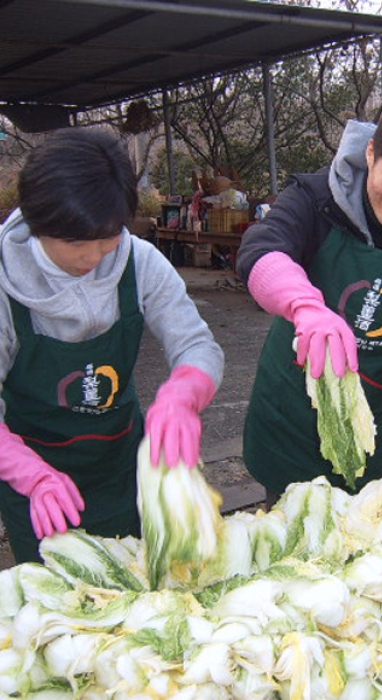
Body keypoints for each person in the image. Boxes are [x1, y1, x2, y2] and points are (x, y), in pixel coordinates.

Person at [0, 128, 224, 564]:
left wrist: (183, 394)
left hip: (121, 465)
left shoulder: (141, 262)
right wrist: (31, 476)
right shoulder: (6, 283)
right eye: (76, 243)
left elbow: (197, 345)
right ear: (39, 223)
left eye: (108, 240)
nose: (93, 257)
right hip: (37, 478)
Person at [236, 94, 382, 506]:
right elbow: (261, 250)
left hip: (379, 430)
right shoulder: (315, 198)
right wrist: (306, 307)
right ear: (371, 153)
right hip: (292, 419)